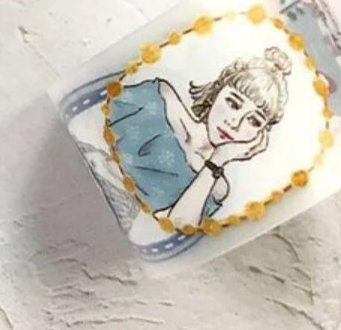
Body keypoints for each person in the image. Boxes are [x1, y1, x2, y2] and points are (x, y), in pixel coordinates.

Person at [107, 45, 292, 228]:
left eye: (254, 121)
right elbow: (103, 117)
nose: (235, 123)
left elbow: (175, 224)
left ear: (260, 135)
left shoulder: (217, 187)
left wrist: (217, 161)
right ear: (215, 93)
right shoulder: (161, 98)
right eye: (233, 104)